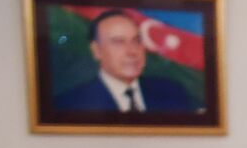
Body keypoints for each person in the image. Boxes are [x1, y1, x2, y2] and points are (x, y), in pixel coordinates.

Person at [54, 9, 196, 113]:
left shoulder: (173, 93)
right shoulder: (71, 103)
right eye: (118, 42)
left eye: (136, 41)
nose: (132, 51)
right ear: (97, 50)